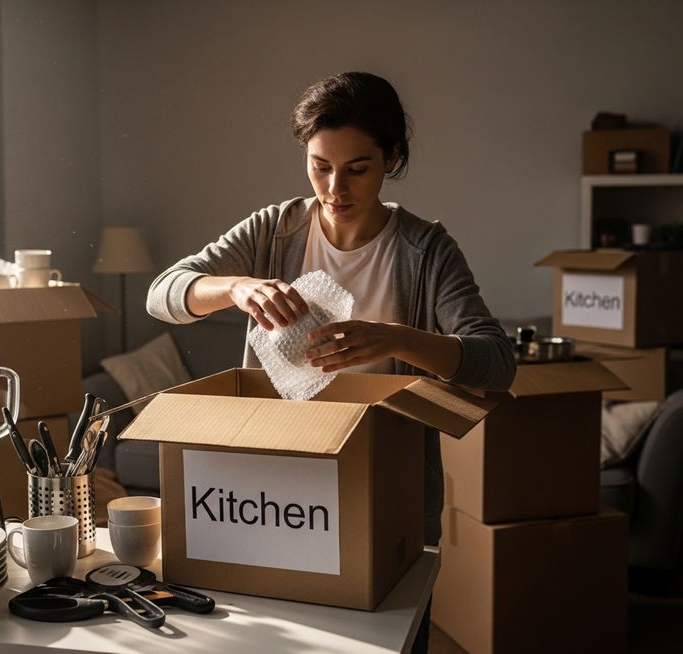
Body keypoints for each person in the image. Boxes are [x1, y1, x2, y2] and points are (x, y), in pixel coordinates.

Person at [146, 71, 515, 650]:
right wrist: (237, 287)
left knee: (391, 638)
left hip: (386, 486)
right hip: (274, 489)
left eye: (357, 169)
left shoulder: (426, 251)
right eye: (319, 166)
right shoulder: (275, 230)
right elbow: (163, 294)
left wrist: (396, 340)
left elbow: (496, 362)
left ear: (392, 159)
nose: (334, 188)